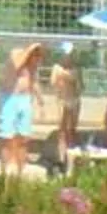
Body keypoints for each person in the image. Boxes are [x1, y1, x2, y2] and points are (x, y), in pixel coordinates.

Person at [0, 42, 44, 178]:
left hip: (25, 100)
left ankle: (19, 174)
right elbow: (16, 65)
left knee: (24, 138)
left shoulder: (31, 67)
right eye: (35, 53)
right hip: (10, 98)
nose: (37, 57)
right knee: (7, 139)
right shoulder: (16, 56)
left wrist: (41, 102)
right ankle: (5, 173)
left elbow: (34, 82)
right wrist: (30, 49)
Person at [45, 42, 83, 173]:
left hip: (74, 99)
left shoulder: (76, 69)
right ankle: (62, 159)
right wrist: (65, 78)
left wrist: (73, 80)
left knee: (72, 130)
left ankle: (71, 158)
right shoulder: (57, 68)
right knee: (62, 130)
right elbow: (53, 83)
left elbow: (80, 87)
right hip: (62, 100)